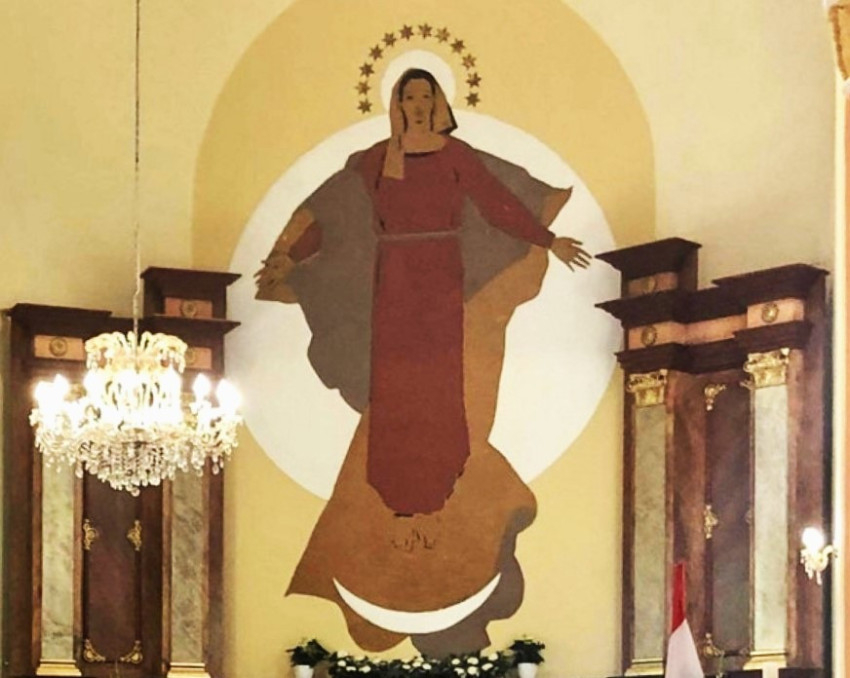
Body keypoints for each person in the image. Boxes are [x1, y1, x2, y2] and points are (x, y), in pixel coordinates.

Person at [255, 68, 590, 652]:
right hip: (393, 280)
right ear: (396, 103)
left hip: (440, 281)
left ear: (439, 104)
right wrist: (293, 257)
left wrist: (546, 239)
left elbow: (497, 203)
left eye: (425, 97)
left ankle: (437, 484)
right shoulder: (373, 161)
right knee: (395, 389)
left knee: (440, 388)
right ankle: (398, 490)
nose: (416, 105)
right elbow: (335, 214)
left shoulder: (455, 156)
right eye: (407, 96)